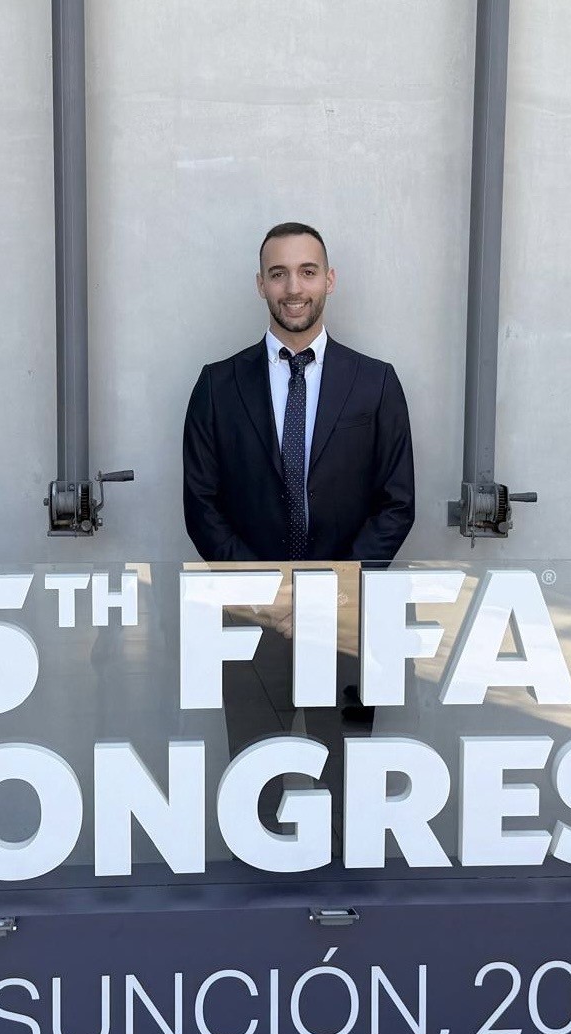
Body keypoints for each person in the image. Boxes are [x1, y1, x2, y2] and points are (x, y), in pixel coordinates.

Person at [182, 221, 414, 839]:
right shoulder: (217, 386)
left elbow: (396, 505)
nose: (294, 288)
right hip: (252, 626)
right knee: (255, 797)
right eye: (279, 273)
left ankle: (345, 897)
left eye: (307, 272)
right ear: (260, 284)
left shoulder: (376, 383)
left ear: (329, 280)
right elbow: (202, 507)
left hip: (347, 624)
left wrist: (325, 594)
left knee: (348, 794)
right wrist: (272, 596)